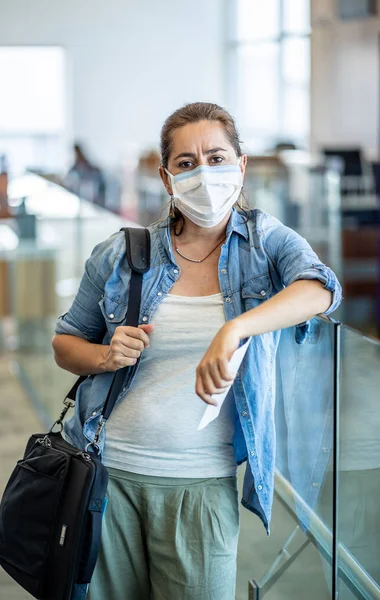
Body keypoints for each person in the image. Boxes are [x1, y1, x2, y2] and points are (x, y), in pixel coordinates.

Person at [52, 102, 342, 600]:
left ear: (241, 165)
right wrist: (105, 355)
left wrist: (234, 331)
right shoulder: (123, 252)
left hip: (201, 483)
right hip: (108, 472)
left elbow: (321, 288)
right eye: (186, 163)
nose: (203, 173)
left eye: (216, 157)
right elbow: (65, 343)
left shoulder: (263, 242)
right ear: (167, 179)